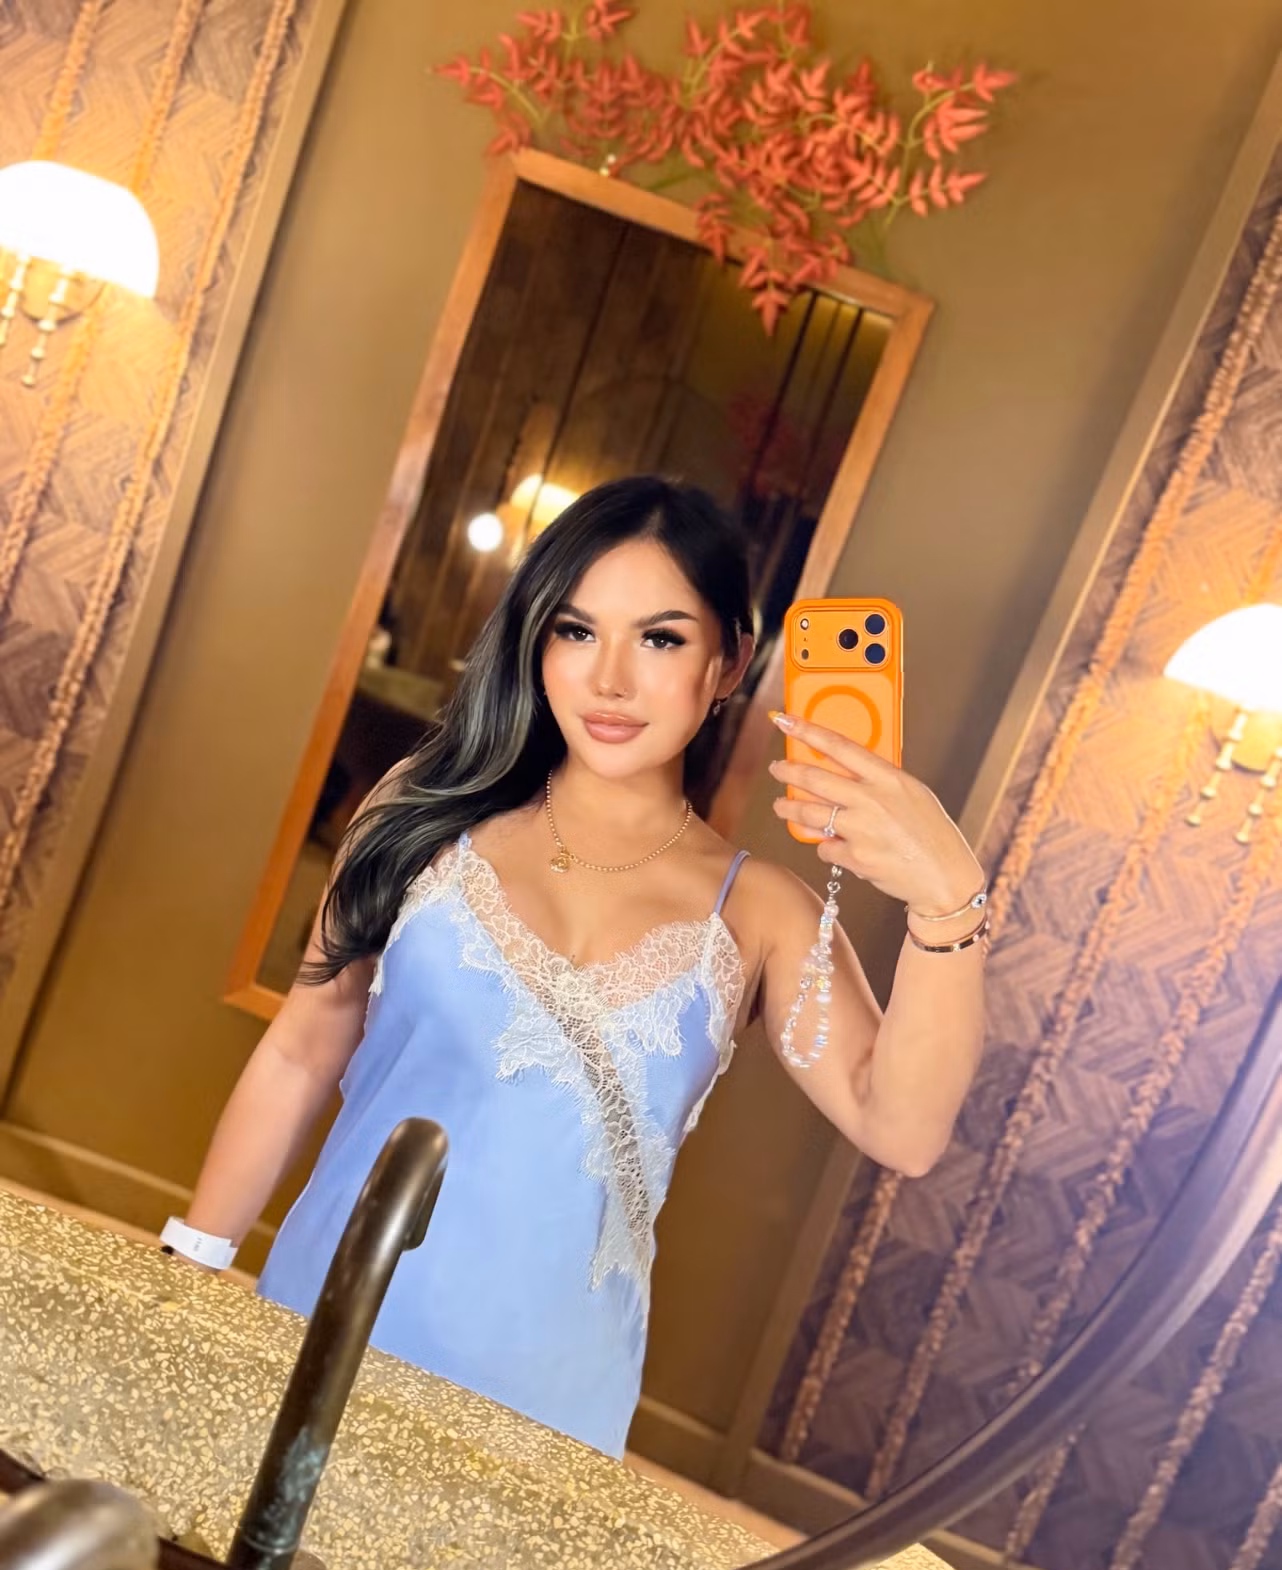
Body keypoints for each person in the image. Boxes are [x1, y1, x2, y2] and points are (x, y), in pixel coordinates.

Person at [165, 476, 987, 1458]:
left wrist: (948, 897)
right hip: (332, 1307)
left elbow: (902, 1130)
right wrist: (192, 1263)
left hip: (548, 1394)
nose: (609, 680)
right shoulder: (421, 814)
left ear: (728, 663)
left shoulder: (762, 912)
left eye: (660, 639)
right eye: (575, 629)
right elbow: (301, 1053)